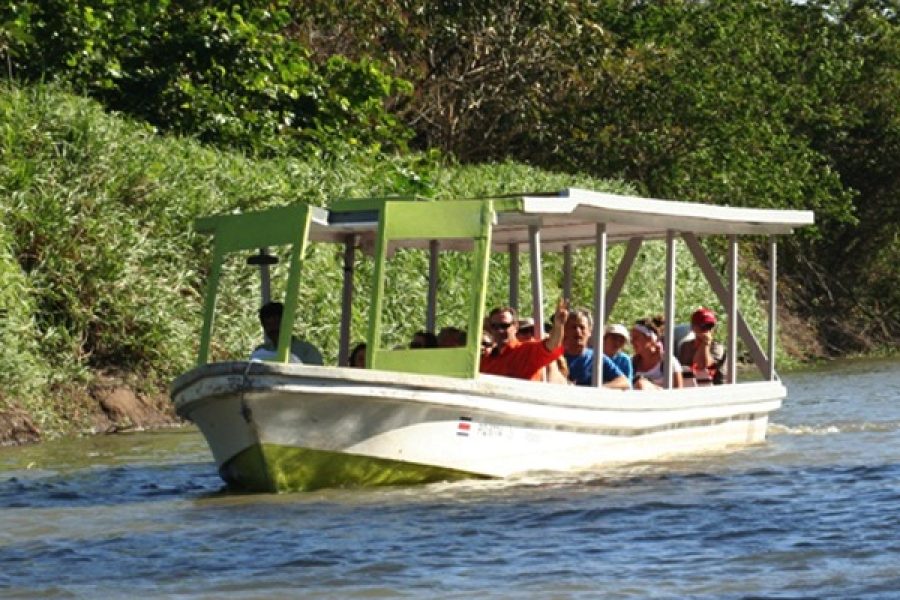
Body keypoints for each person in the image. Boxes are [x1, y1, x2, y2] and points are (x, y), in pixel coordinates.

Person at [480, 299, 568, 381]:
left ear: (516, 327)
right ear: (490, 329)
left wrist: (558, 325)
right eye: (494, 326)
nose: (499, 330)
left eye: (504, 326)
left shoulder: (527, 351)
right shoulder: (485, 360)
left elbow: (553, 345)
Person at [563, 308, 630, 389]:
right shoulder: (557, 357)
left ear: (589, 332)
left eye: (582, 327)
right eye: (573, 327)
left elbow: (624, 382)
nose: (578, 331)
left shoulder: (597, 357)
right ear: (565, 330)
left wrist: (599, 389)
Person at [250, 301, 323, 364]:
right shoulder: (260, 353)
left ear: (287, 324)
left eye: (277, 323)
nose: (273, 328)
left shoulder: (307, 351)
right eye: (268, 325)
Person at [677, 307, 727, 386]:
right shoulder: (685, 347)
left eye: (710, 326)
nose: (707, 330)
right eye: (703, 326)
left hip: (714, 391)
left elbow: (700, 366)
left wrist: (705, 344)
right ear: (693, 327)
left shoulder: (717, 348)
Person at [630, 316, 682, 389]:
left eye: (636, 338)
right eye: (631, 338)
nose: (631, 342)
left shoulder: (668, 362)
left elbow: (678, 391)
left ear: (650, 339)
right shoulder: (632, 363)